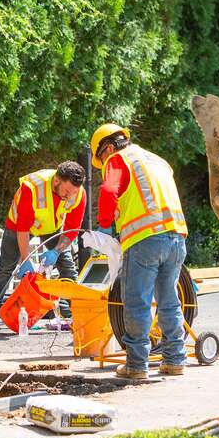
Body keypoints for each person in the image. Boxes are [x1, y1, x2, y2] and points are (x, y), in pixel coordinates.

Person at [91, 124, 188, 379]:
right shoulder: (158, 161)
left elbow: (109, 192)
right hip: (176, 236)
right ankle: (175, 359)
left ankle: (136, 365)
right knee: (169, 301)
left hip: (144, 239)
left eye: (101, 158)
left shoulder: (117, 159)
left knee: (137, 302)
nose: (104, 164)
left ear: (108, 148)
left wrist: (103, 225)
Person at [0, 162, 86, 333]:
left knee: (68, 268)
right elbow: (23, 228)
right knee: (5, 268)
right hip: (19, 226)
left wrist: (56, 251)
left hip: (52, 227)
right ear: (56, 181)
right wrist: (25, 259)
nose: (69, 196)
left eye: (73, 193)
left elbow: (72, 230)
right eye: (66, 191)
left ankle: (82, 319)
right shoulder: (32, 187)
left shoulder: (78, 194)